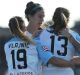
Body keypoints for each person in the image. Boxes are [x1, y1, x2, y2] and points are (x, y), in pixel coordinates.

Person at [37, 7, 80, 75]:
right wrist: (71, 38)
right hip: (67, 72)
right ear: (68, 20)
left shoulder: (41, 34)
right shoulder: (74, 35)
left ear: (53, 18)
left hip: (47, 72)